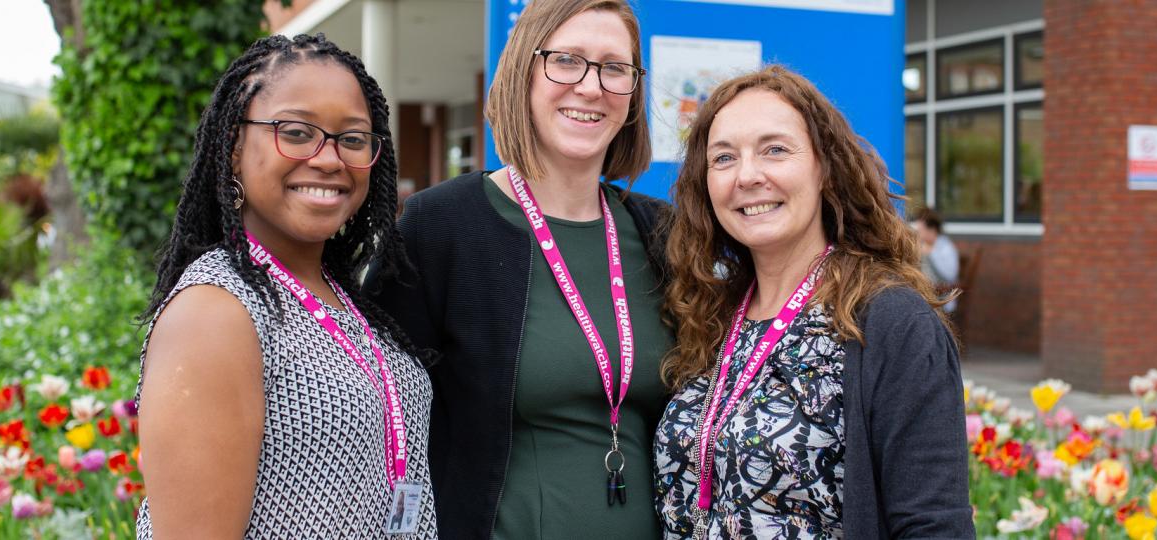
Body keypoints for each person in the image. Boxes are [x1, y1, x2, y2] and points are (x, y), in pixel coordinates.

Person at [369, 0, 672, 537]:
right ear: (523, 75)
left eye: (614, 67)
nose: (590, 86)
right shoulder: (443, 226)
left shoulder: (661, 233)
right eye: (567, 60)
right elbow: (377, 414)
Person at [134, 34, 437, 538]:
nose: (328, 158)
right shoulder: (215, 311)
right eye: (296, 132)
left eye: (353, 138)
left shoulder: (341, 297)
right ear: (233, 148)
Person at [653, 66, 974, 539]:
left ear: (824, 168)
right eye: (723, 158)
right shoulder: (711, 314)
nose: (747, 175)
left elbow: (933, 525)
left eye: (775, 150)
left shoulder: (891, 322)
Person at [911, 207, 959, 313]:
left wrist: (931, 254)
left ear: (932, 229)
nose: (917, 233)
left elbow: (950, 276)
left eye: (920, 230)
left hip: (943, 302)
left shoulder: (946, 247)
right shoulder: (921, 246)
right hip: (925, 299)